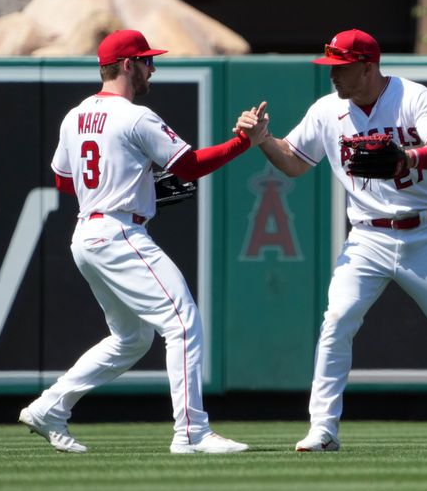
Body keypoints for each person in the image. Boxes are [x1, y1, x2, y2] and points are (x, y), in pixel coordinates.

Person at [237, 29, 427, 453]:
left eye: (342, 67)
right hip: (367, 237)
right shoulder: (327, 109)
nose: (333, 75)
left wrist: (410, 156)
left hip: (424, 235)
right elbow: (294, 164)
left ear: (368, 67)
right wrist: (262, 141)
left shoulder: (411, 96)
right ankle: (323, 427)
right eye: (331, 67)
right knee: (337, 321)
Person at [20, 29, 266, 454]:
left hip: (87, 234)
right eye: (148, 61)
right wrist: (245, 142)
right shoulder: (136, 116)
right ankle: (191, 432)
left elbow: (64, 180)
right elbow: (188, 167)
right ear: (129, 65)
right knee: (183, 322)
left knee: (131, 338)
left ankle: (50, 407)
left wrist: (133, 181)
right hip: (118, 232)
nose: (153, 68)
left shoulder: (75, 116)